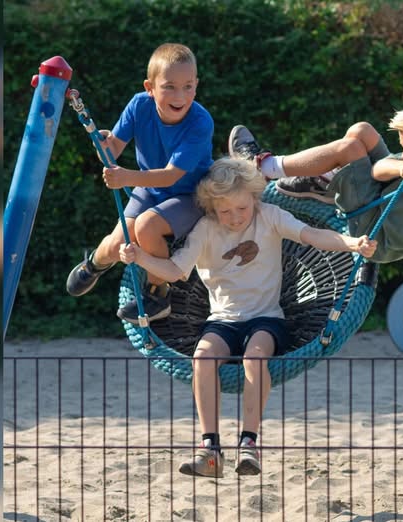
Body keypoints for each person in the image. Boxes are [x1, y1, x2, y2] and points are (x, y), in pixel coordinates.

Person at [118, 158, 376, 477]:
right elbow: (174, 270)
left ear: (254, 198)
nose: (235, 218)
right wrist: (140, 257)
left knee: (255, 358)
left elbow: (311, 236)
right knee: (202, 359)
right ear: (212, 209)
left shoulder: (269, 216)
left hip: (267, 319)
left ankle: (248, 443)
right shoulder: (206, 229)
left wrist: (352, 244)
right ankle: (209, 448)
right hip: (222, 321)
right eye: (224, 211)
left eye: (241, 208)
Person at [66, 43, 214, 324]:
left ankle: (158, 293)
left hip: (190, 194)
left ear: (196, 85)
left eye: (188, 86)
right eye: (169, 86)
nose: (180, 95)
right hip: (149, 189)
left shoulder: (200, 122)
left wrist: (126, 177)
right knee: (115, 244)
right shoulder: (139, 105)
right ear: (150, 87)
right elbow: (112, 152)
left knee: (147, 226)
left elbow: (171, 175)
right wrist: (104, 144)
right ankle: (95, 264)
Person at [227, 97, 403, 264]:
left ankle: (263, 167)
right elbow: (378, 171)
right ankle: (328, 181)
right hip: (378, 197)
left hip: (374, 232)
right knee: (362, 131)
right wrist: (401, 166)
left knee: (350, 148)